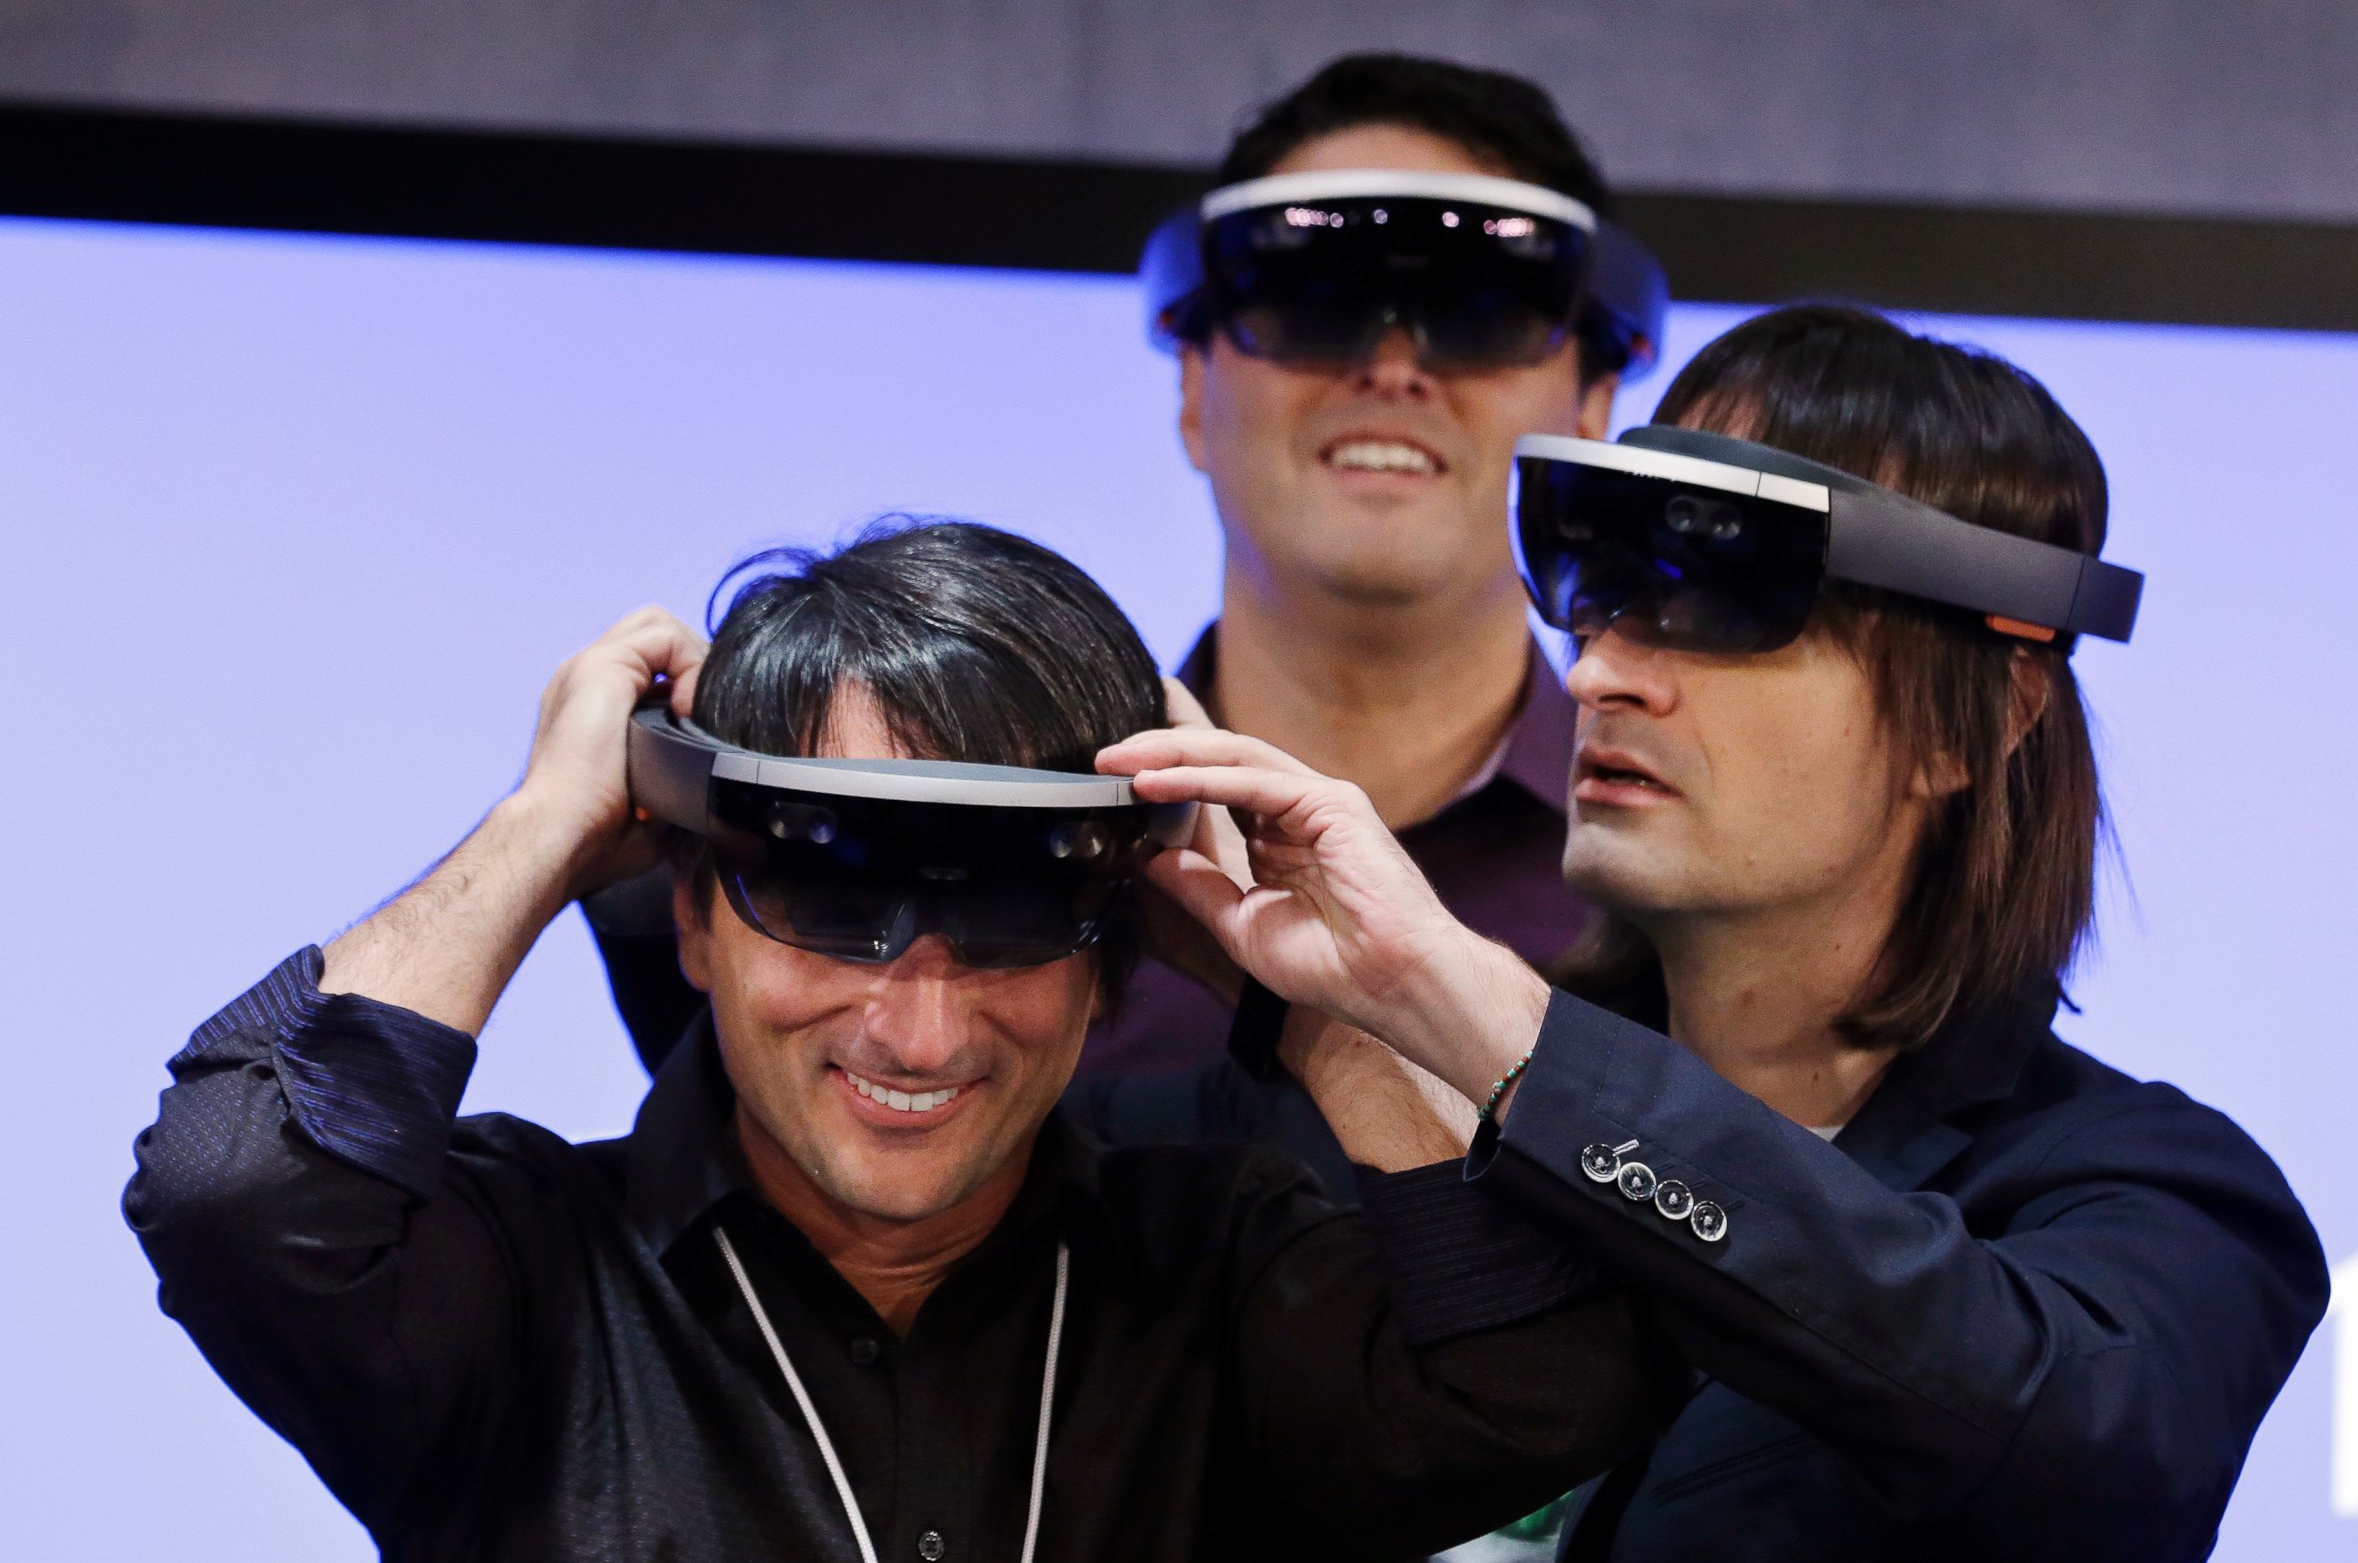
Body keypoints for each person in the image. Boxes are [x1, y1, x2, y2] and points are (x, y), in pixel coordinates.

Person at [125, 521, 1687, 1562]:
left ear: (1114, 950)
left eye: (1010, 919)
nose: (918, 1023)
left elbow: (1546, 1383)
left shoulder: (1215, 1268)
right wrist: (543, 828)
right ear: (693, 916)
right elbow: (230, 1196)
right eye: (825, 899)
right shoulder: (530, 1281)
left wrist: (1300, 996)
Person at [1099, 307, 2330, 1560]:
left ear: (1978, 722)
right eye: (1604, 585)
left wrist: (1487, 1022)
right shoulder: (1357, 1119)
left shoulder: (2165, 1200)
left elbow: (2074, 1433)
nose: (1597, 674)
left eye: (1727, 598)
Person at [584, 54, 1663, 1197]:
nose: (1390, 364)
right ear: (1194, 388)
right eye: (1310, 298)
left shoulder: (1679, 878)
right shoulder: (1012, 836)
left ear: (1594, 407)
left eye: (1479, 312)